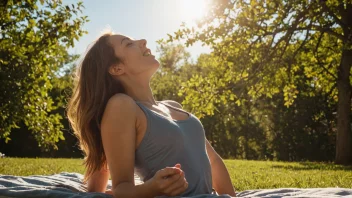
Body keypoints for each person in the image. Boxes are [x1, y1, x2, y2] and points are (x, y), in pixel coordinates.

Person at [67, 31, 236, 198]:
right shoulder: (122, 106)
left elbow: (213, 161)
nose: (143, 40)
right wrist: (153, 187)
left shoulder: (172, 106)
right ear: (117, 68)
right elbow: (121, 189)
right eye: (129, 43)